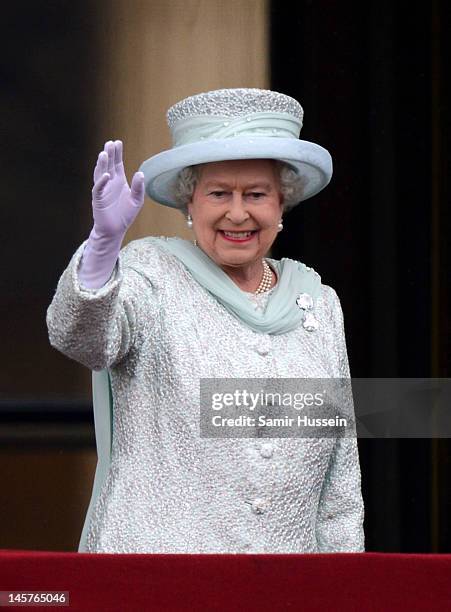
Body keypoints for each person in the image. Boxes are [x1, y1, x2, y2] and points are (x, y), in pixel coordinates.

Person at [46, 88, 365, 554]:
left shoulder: (318, 302)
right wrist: (102, 245)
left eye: (256, 194)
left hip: (286, 585)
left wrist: (344, 585)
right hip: (159, 579)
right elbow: (82, 338)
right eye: (219, 193)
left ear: (282, 205)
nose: (238, 212)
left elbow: (339, 475)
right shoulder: (150, 277)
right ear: (188, 203)